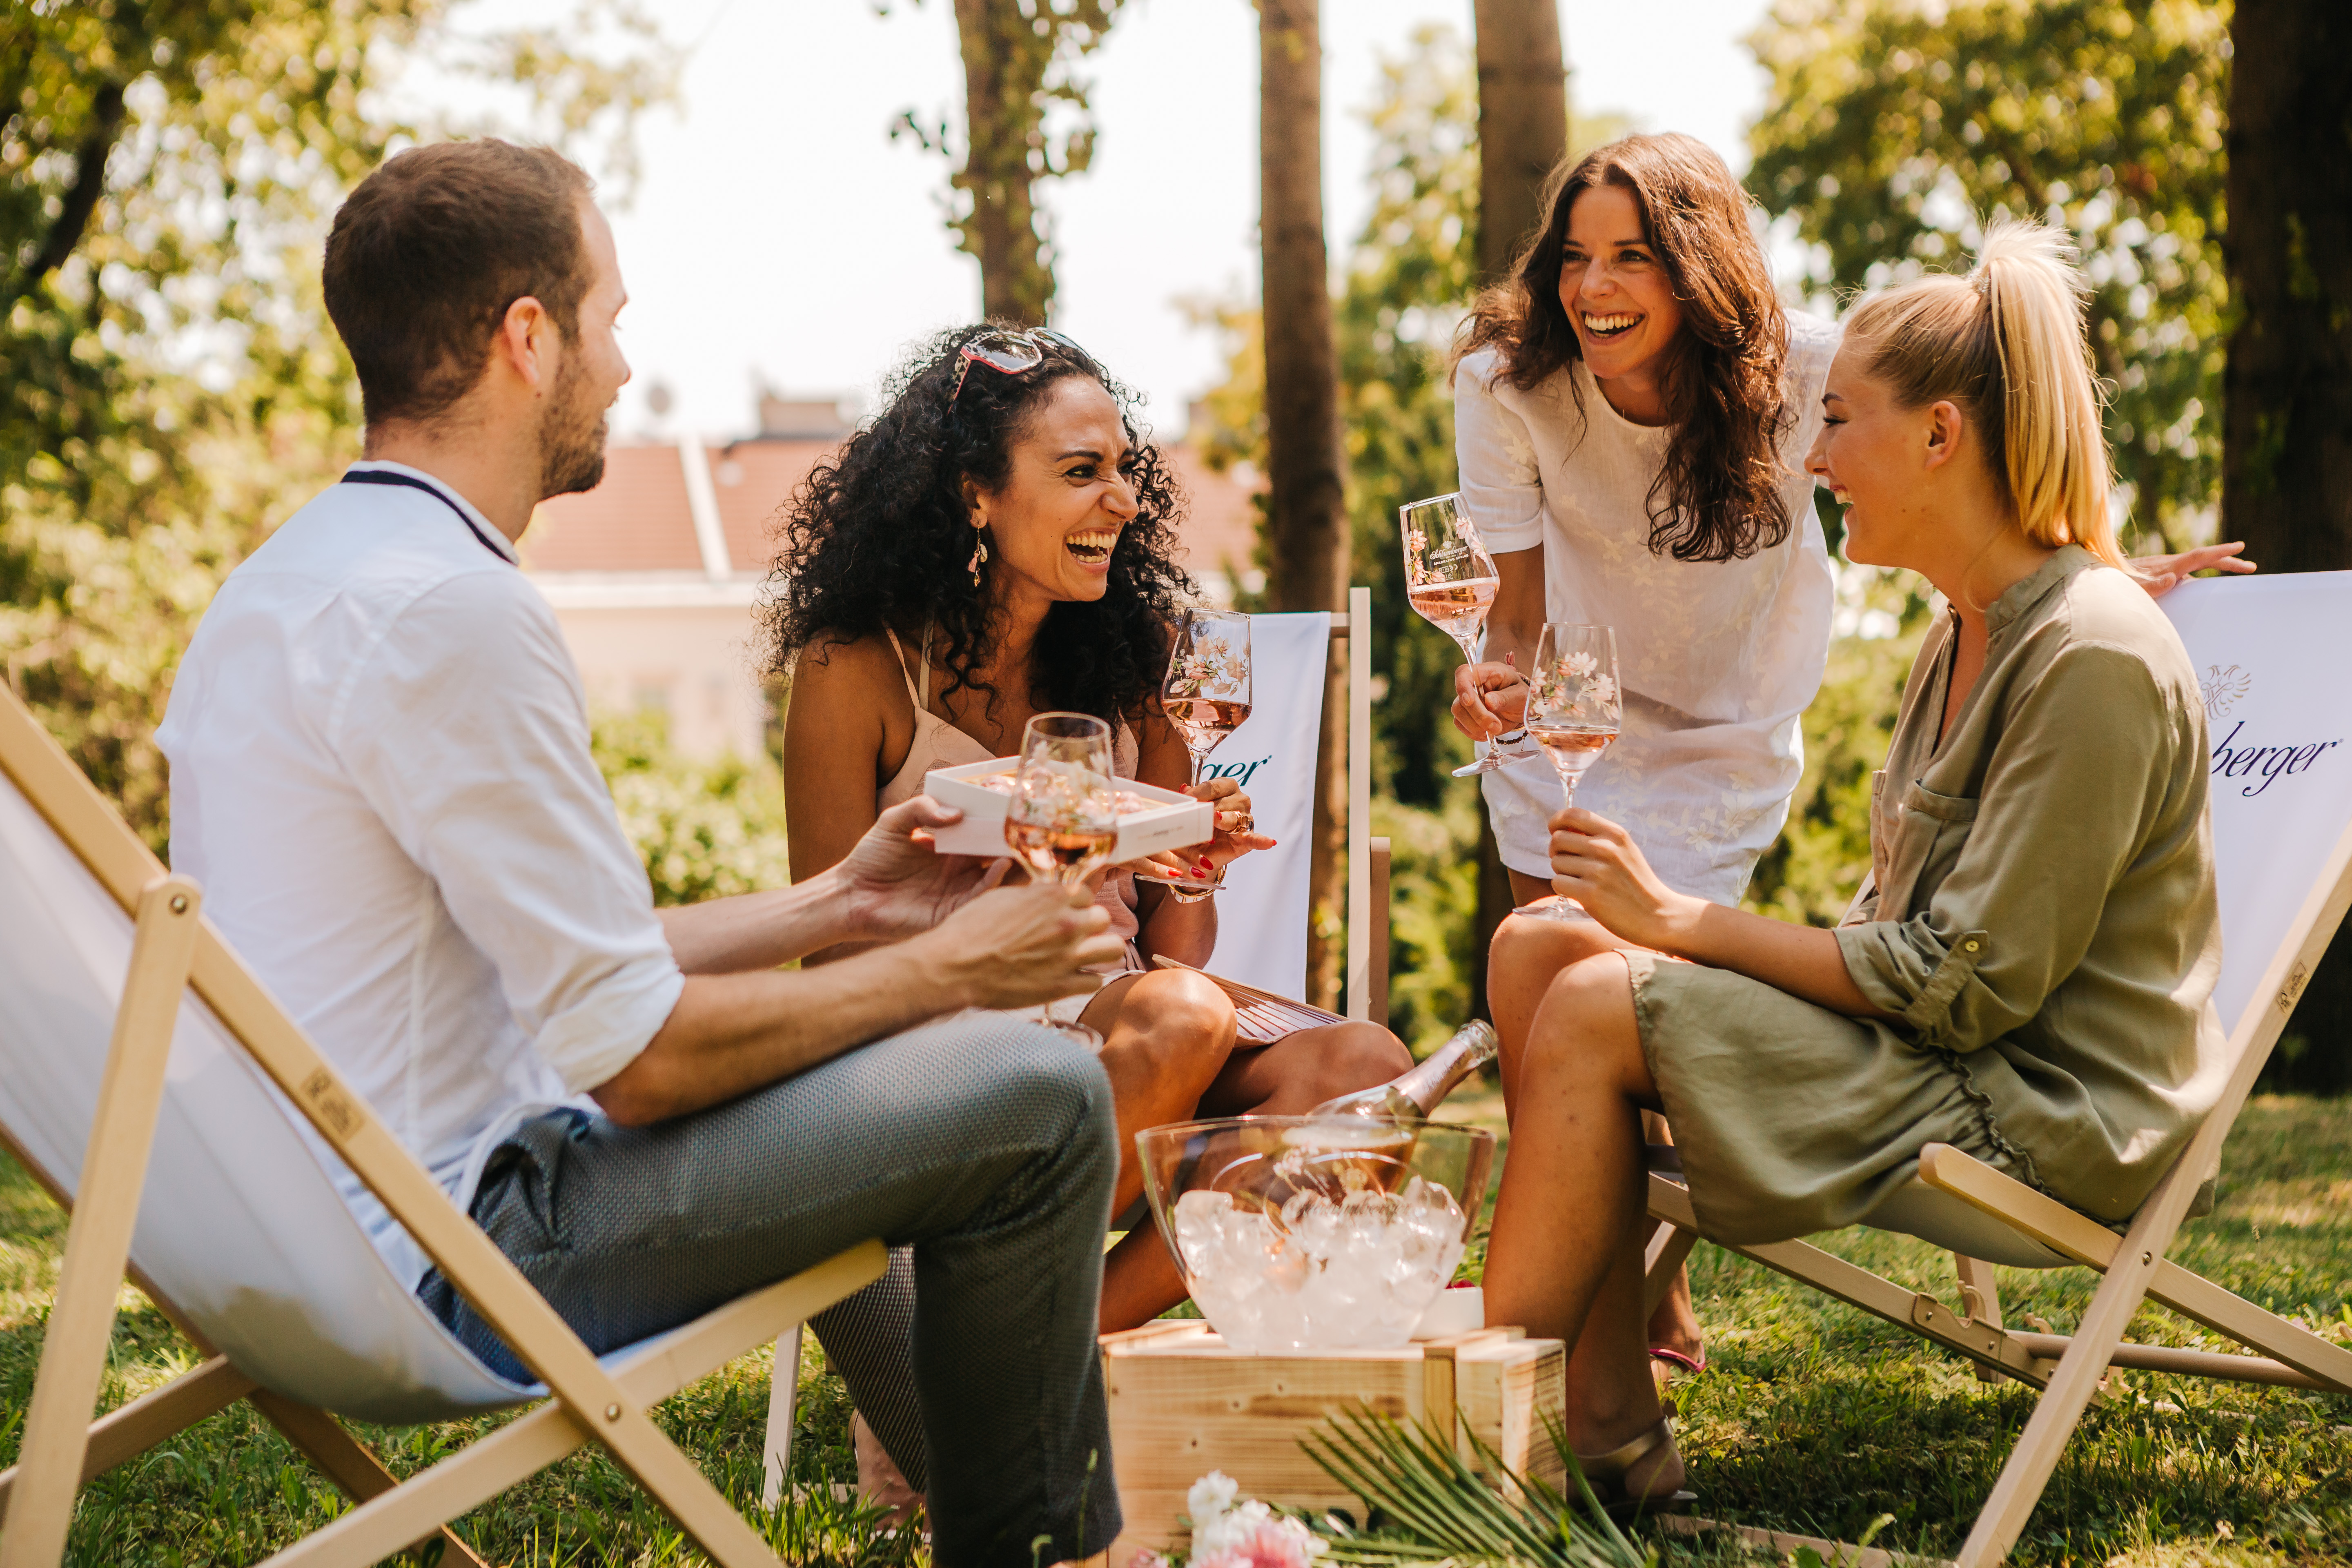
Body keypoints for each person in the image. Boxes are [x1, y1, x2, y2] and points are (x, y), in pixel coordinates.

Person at [156, 139, 1128, 1567]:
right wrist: (950, 967)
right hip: (460, 1249)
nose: (620, 362)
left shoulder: (292, 584)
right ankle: (1053, 1554)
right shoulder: (453, 615)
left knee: (886, 1110)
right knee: (1038, 1093)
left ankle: (983, 1501)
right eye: (609, 320)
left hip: (283, 1242)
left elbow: (548, 962)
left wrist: (840, 899)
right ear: (527, 338)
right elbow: (648, 1062)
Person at [1446, 132, 2250, 1381]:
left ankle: (1493, 1417)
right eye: (1576, 257)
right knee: (1539, 941)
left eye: (1836, 429)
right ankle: (1604, 1419)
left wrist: (1678, 923)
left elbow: (1960, 984)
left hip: (2034, 1099)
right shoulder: (1963, 632)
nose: (1810, 460)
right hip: (1940, 1036)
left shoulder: (2083, 650)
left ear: (1936, 438)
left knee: (1601, 989)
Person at [768, 325, 1414, 1504]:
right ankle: (993, 1377)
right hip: (936, 1030)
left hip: (1112, 1006)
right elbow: (827, 942)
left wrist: (1185, 865)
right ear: (974, 495)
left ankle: (996, 1372)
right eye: (1081, 473)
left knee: (1365, 1069)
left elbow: (1175, 950)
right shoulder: (855, 666)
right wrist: (1001, 894)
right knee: (1179, 1020)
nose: (1120, 499)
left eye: (1124, 469)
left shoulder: (1126, 657)